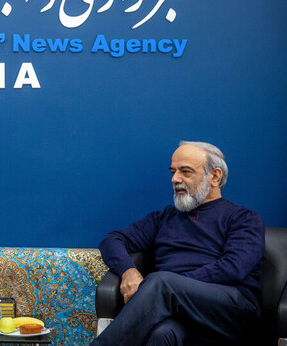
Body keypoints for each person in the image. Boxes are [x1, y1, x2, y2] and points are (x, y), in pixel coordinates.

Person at [92, 141, 264, 345]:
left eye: (185, 172)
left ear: (215, 176)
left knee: (161, 284)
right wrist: (129, 271)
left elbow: (232, 269)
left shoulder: (244, 218)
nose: (175, 179)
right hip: (175, 307)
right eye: (173, 172)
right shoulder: (165, 218)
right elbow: (112, 240)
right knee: (161, 334)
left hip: (230, 311)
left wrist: (167, 285)